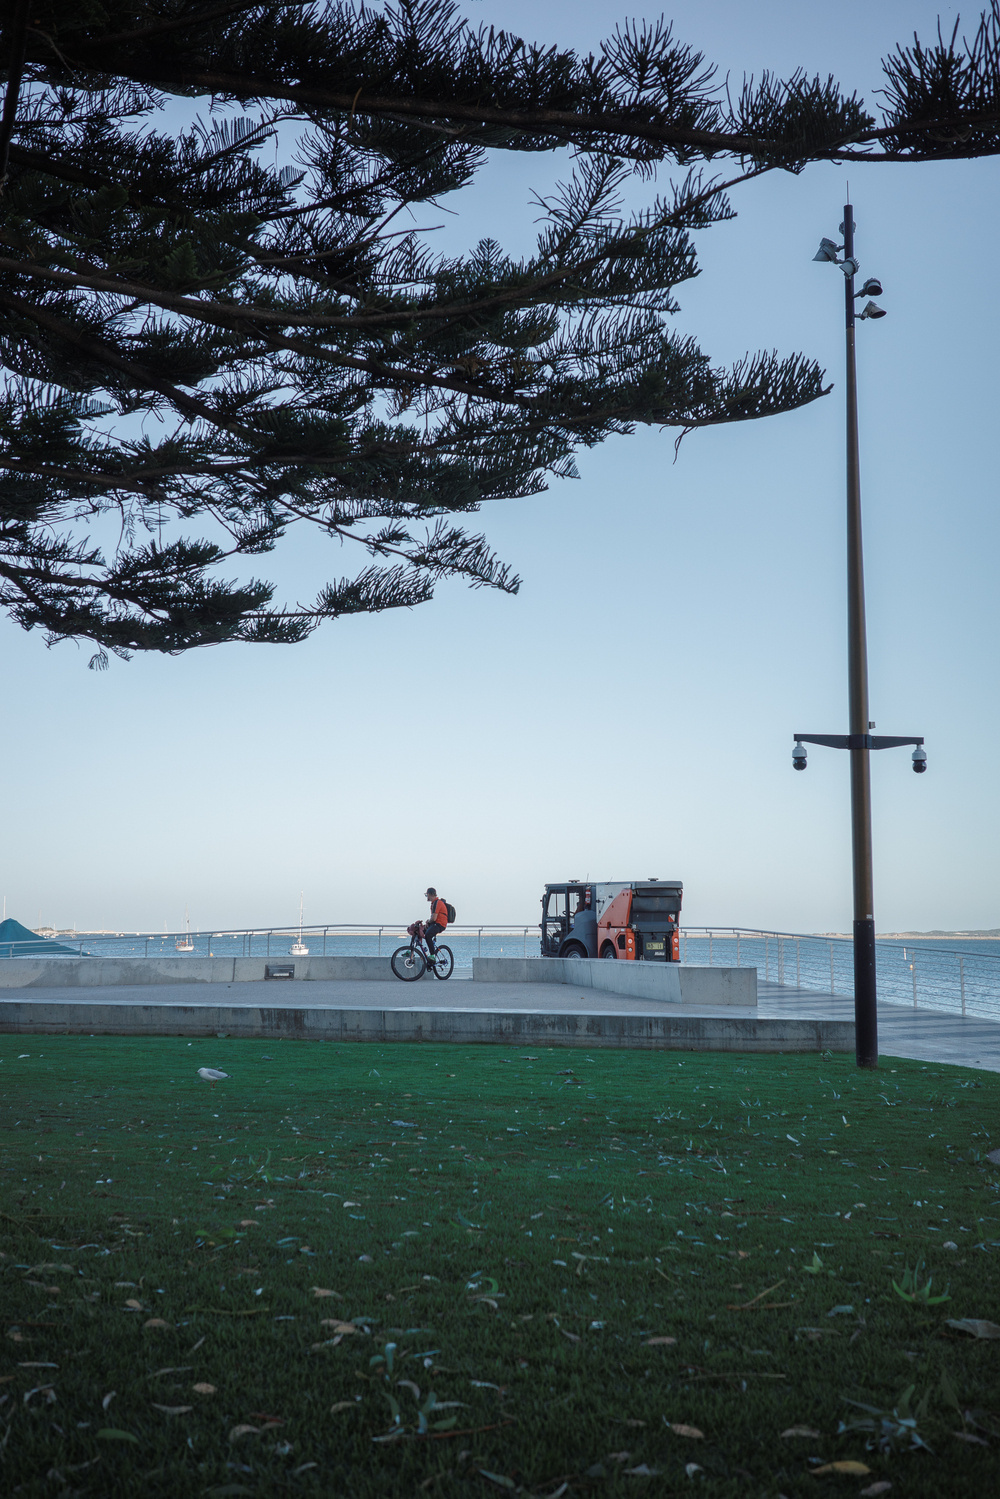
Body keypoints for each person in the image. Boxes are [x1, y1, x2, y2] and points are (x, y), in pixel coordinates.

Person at [424, 887, 449, 954]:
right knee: (419, 931)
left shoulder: (437, 903)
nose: (426, 897)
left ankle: (432, 955)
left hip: (440, 924)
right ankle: (412, 952)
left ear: (430, 894)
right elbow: (433, 917)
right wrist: (428, 922)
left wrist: (429, 922)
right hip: (435, 923)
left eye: (427, 895)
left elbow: (434, 918)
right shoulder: (433, 903)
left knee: (428, 935)